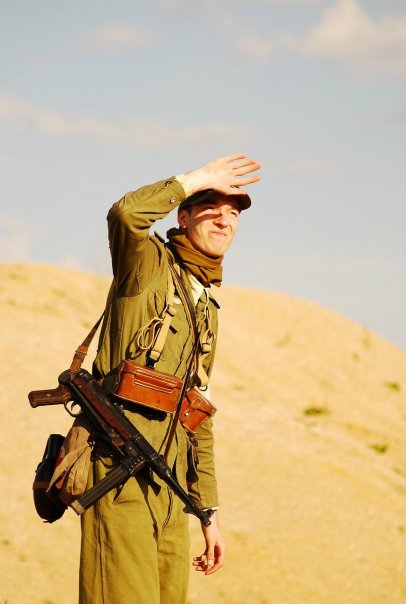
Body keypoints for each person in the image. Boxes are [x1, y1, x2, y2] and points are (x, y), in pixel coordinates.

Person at [79, 153, 261, 604]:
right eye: (210, 208)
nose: (224, 220)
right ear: (183, 216)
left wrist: (208, 510)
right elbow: (126, 215)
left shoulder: (206, 306)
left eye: (233, 213)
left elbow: (197, 412)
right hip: (119, 473)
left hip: (170, 487)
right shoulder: (147, 265)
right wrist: (196, 178)